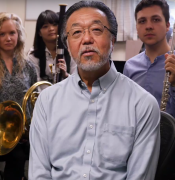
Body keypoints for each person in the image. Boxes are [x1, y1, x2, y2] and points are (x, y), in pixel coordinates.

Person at [29, 1, 160, 180]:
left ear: (113, 40)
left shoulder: (142, 104)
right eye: (76, 32)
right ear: (68, 45)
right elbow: (39, 173)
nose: (87, 39)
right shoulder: (47, 101)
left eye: (96, 30)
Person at [0, 12, 37, 180]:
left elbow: (33, 99)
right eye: (2, 34)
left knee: (19, 158)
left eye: (12, 33)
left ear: (18, 35)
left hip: (20, 135)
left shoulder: (28, 66)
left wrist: (28, 130)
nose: (8, 38)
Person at [123, 0, 175, 118]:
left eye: (156, 19)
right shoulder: (130, 66)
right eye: (142, 21)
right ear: (137, 28)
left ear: (167, 25)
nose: (148, 26)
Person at [27, 10, 76, 88]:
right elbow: (35, 84)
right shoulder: (33, 55)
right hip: (43, 98)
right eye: (45, 26)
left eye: (55, 25)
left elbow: (78, 82)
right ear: (39, 32)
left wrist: (66, 75)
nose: (51, 29)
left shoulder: (71, 52)